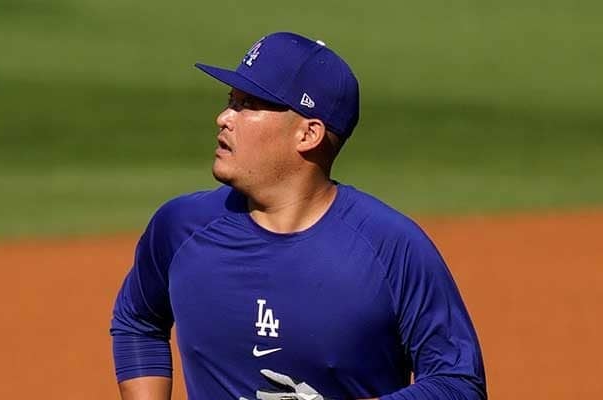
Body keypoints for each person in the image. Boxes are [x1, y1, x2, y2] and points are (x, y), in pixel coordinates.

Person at [110, 31, 486, 400]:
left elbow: (459, 382)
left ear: (308, 134)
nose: (223, 117)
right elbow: (138, 321)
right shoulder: (180, 228)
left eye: (248, 104)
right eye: (231, 100)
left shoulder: (392, 249)